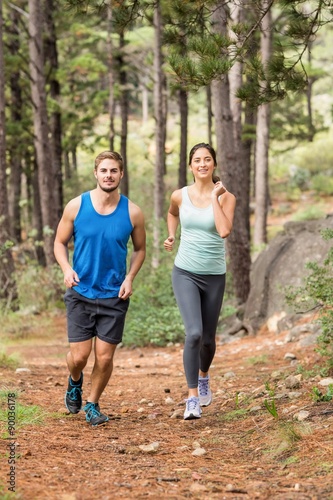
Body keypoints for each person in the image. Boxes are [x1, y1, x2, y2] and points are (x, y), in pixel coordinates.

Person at [54, 151, 146, 426]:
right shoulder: (76, 206)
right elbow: (59, 243)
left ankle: (92, 404)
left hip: (114, 295)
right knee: (80, 357)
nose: (109, 175)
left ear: (121, 174)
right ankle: (75, 380)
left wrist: (130, 277)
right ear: (96, 173)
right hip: (81, 292)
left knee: (104, 357)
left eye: (114, 170)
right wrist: (66, 269)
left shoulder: (132, 212)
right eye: (104, 170)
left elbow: (140, 249)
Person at [164, 143, 236, 420]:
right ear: (191, 165)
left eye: (207, 159)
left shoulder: (227, 197)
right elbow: (172, 213)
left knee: (207, 339)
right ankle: (192, 397)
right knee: (193, 333)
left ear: (214, 165)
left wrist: (216, 198)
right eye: (197, 160)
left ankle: (204, 376)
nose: (202, 164)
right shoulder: (180, 196)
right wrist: (172, 235)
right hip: (185, 272)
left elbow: (224, 230)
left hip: (214, 276)